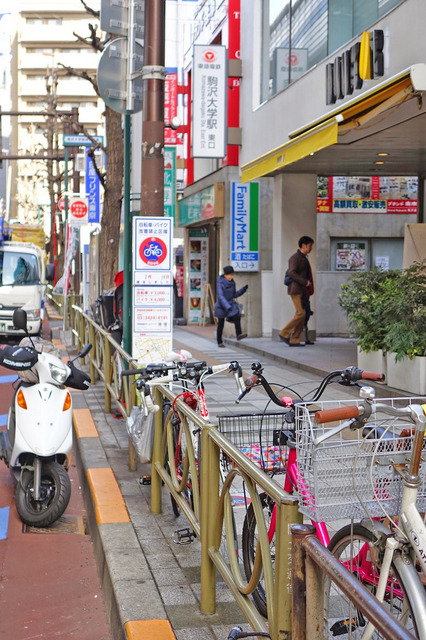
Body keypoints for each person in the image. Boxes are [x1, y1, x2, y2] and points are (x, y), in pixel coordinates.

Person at [279, 236, 314, 347]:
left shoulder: (303, 257)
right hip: (296, 289)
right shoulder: (295, 258)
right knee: (300, 313)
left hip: (302, 290)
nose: (311, 248)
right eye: (310, 245)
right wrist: (305, 282)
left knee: (302, 315)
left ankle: (295, 339)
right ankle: (284, 333)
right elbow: (292, 273)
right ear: (303, 245)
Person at [214, 266, 248, 347]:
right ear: (225, 275)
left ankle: (239, 334)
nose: (231, 277)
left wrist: (243, 290)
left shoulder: (232, 282)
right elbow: (220, 296)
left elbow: (234, 294)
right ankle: (219, 341)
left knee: (237, 316)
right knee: (221, 324)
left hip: (230, 304)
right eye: (229, 275)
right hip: (221, 305)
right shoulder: (220, 283)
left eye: (232, 275)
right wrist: (227, 306)